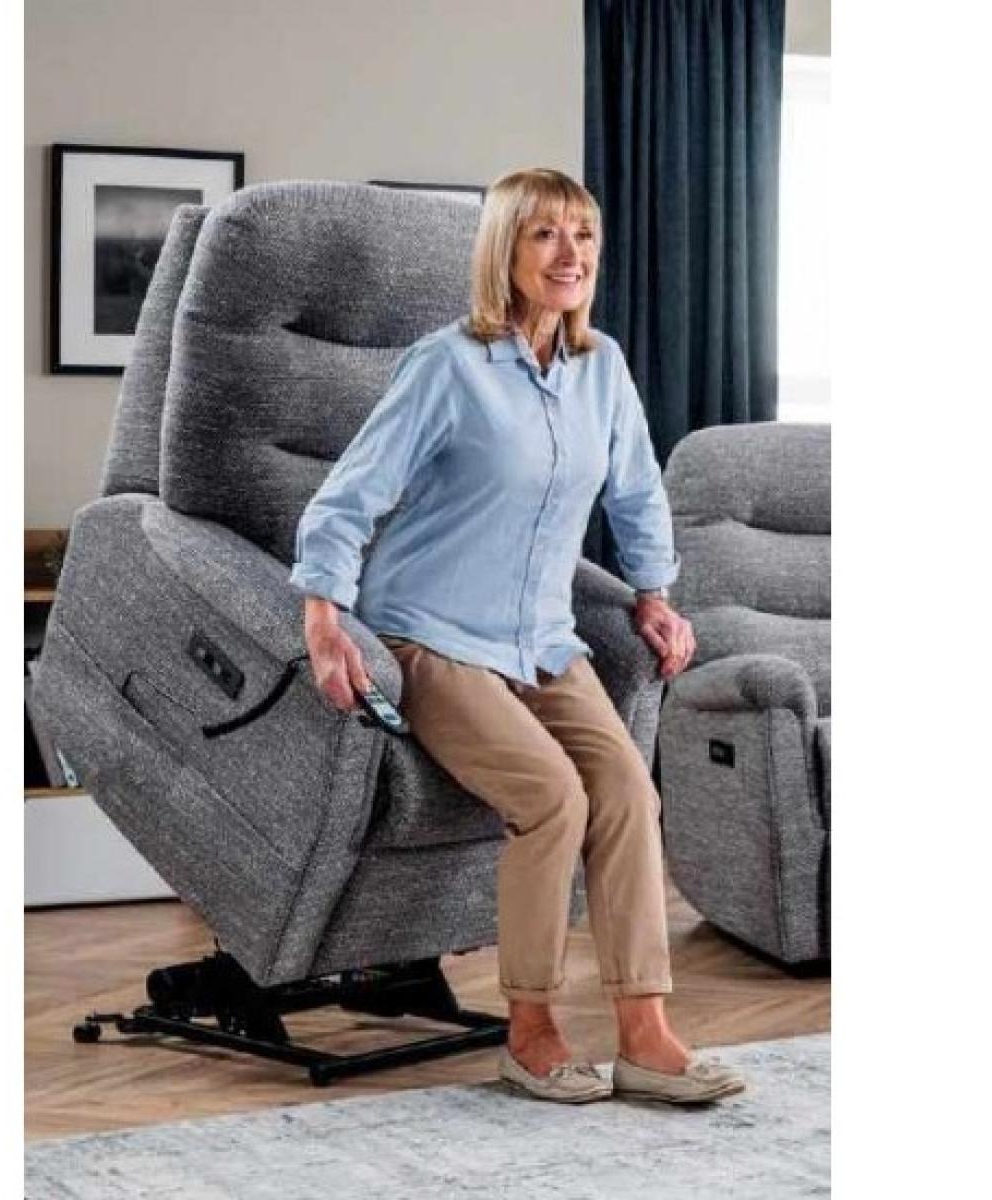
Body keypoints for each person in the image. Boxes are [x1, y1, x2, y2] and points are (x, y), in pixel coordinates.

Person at [288, 168, 743, 1106]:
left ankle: (645, 1033)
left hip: (540, 639)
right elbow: (349, 495)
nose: (570, 254)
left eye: (583, 235)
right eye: (544, 235)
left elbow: (636, 491)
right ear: (505, 250)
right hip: (431, 634)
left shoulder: (601, 368)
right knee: (551, 799)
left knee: (627, 792)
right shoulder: (447, 366)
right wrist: (324, 615)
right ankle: (530, 1030)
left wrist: (654, 594)